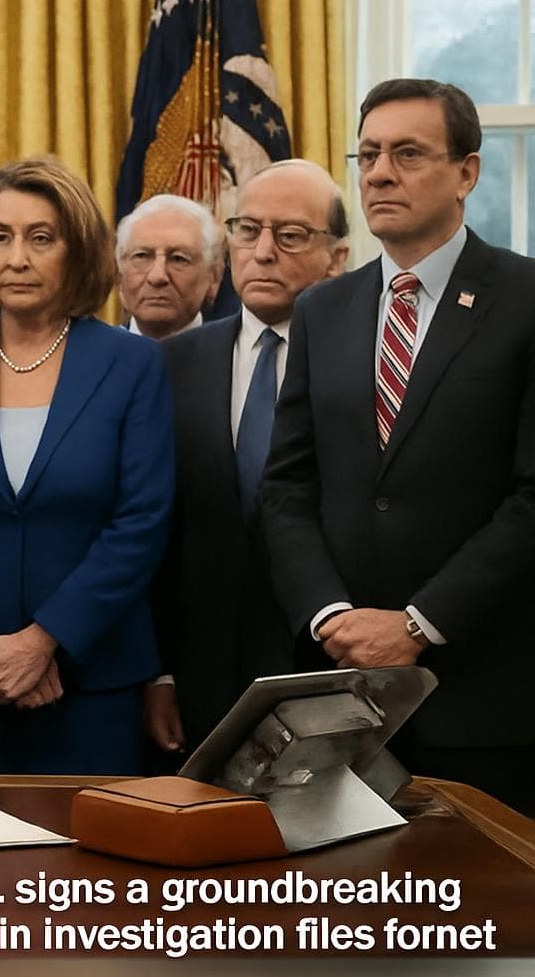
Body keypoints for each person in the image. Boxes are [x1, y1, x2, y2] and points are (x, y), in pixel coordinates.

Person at [262, 78, 535, 815]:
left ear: (466, 173)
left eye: (407, 154)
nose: (380, 173)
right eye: (369, 155)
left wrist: (418, 624)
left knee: (480, 891)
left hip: (483, 700)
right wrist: (328, 615)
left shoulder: (524, 299)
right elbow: (287, 487)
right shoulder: (322, 309)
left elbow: (532, 497)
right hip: (337, 697)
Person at [0, 158, 174, 774]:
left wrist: (45, 640)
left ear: (78, 251)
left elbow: (140, 525)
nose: (16, 258)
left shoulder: (133, 364)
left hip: (92, 680)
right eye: (1, 237)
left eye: (40, 238)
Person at [146, 160, 350, 757]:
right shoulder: (172, 364)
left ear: (337, 257)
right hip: (201, 673)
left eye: (290, 235)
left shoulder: (365, 364)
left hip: (326, 664)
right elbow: (155, 533)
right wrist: (158, 672)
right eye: (247, 229)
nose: (263, 252)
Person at [116, 194, 223, 339]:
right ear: (119, 276)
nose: (157, 277)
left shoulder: (236, 351)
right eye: (141, 256)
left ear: (214, 277)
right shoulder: (91, 351)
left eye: (178, 259)